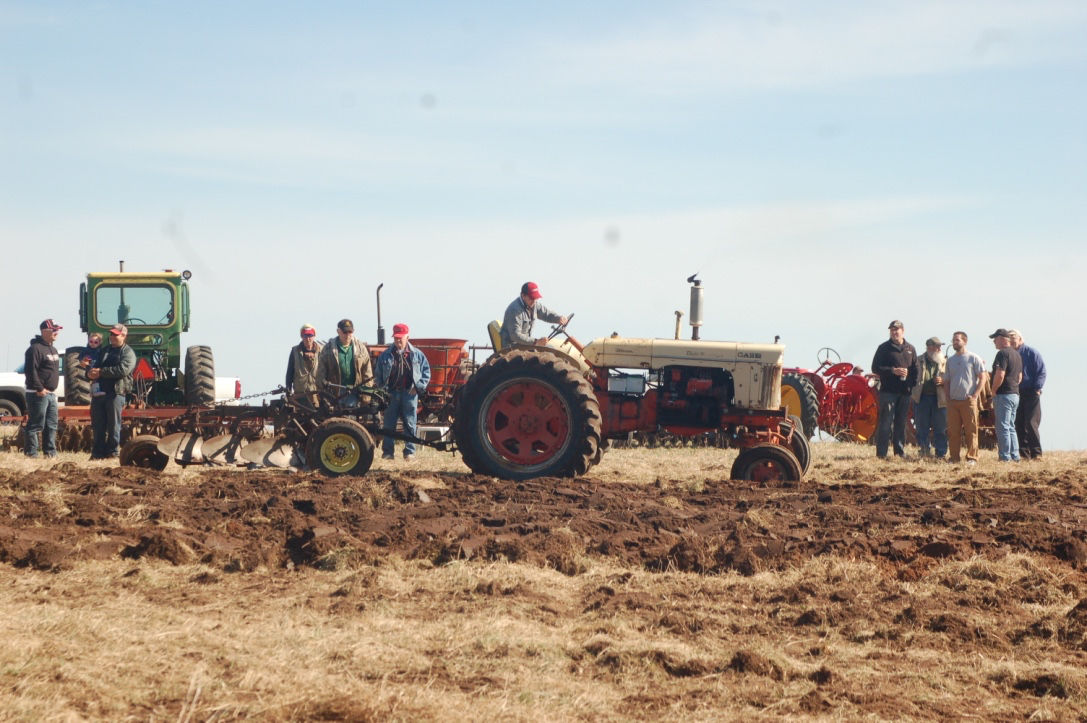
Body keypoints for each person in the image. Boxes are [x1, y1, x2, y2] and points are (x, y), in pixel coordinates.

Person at [375, 323, 432, 462]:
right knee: (389, 424)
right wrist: (383, 390)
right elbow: (378, 375)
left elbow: (426, 373)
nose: (398, 341)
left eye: (400, 338)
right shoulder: (386, 355)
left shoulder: (417, 355)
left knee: (410, 423)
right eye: (396, 338)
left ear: (407, 337)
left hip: (409, 394)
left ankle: (409, 452)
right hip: (391, 394)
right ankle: (388, 453)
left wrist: (418, 387)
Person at [87, 324, 136, 460]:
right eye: (111, 334)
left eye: (116, 334)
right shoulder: (105, 350)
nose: (112, 337)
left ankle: (112, 452)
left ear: (124, 336)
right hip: (99, 393)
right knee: (98, 424)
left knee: (113, 424)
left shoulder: (128, 353)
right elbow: (95, 366)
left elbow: (123, 370)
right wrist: (90, 373)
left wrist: (101, 372)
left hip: (116, 393)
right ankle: (97, 453)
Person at [871, 320, 919, 459]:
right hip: (888, 392)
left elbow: (916, 370)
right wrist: (893, 371)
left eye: (896, 329)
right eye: (892, 330)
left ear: (902, 331)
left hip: (905, 392)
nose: (894, 332)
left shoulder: (910, 349)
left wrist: (911, 382)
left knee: (901, 422)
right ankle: (881, 454)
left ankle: (899, 452)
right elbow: (875, 368)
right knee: (886, 422)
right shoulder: (883, 348)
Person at [944, 331, 987, 466]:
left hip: (968, 401)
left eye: (957, 340)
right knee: (953, 431)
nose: (955, 342)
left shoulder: (974, 358)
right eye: (954, 340)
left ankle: (972, 457)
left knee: (971, 431)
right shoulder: (950, 361)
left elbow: (983, 377)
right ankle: (954, 457)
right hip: (953, 402)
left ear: (965, 341)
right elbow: (946, 381)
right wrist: (947, 397)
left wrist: (975, 395)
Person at [23, 319, 63, 458]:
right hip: (37, 393)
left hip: (51, 394)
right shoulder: (35, 349)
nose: (56, 333)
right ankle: (31, 453)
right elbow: (30, 371)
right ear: (44, 331)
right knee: (36, 424)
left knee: (51, 425)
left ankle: (50, 453)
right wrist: (39, 388)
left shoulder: (53, 349)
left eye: (57, 330)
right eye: (54, 330)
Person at [315, 318, 374, 407]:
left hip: (354, 392)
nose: (347, 335)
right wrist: (324, 394)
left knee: (350, 417)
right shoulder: (328, 349)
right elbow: (320, 374)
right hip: (334, 395)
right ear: (338, 331)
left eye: (350, 332)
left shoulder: (361, 349)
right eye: (345, 332)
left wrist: (366, 396)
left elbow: (367, 373)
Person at [1008, 329, 1046, 459]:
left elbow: (1041, 371)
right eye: (1010, 339)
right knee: (1018, 423)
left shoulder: (1031, 353)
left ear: (1020, 339)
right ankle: (1024, 454)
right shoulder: (1009, 355)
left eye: (1014, 339)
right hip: (1015, 392)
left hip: (1031, 392)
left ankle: (1036, 453)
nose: (1012, 341)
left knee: (1031, 423)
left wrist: (1037, 388)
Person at [500, 281, 569, 349]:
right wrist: (536, 342)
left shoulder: (534, 304)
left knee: (551, 349)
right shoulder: (514, 310)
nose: (534, 301)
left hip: (525, 344)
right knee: (548, 350)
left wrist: (558, 318)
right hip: (512, 347)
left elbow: (546, 314)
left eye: (535, 298)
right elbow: (515, 336)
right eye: (531, 298)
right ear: (523, 295)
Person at [910, 336, 948, 458]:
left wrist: (943, 381)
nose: (939, 349)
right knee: (922, 427)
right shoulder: (918, 360)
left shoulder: (946, 362)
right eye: (937, 346)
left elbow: (951, 378)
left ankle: (941, 453)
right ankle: (924, 450)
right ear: (929, 347)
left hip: (940, 399)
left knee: (940, 427)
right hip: (922, 398)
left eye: (940, 347)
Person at [989, 328, 1023, 462]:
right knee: (1010, 426)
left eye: (995, 339)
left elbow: (1000, 374)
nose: (994, 342)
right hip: (1015, 394)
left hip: (1003, 394)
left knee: (1002, 426)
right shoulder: (1016, 354)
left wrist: (993, 389)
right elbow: (1020, 376)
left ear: (1003, 339)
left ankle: (1005, 457)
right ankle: (1015, 456)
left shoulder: (1002, 354)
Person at [285, 324, 324, 404]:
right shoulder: (295, 351)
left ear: (314, 336)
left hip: (317, 395)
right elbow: (289, 373)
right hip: (300, 395)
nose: (308, 338)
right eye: (305, 335)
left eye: (310, 335)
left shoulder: (322, 351)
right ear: (301, 336)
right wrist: (288, 391)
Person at [79, 332, 105, 398]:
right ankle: (94, 391)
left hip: (98, 369)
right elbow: (81, 359)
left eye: (95, 342)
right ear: (88, 341)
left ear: (100, 343)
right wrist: (83, 361)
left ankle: (96, 391)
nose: (93, 344)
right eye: (91, 342)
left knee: (98, 380)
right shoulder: (85, 351)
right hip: (89, 368)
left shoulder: (101, 351)